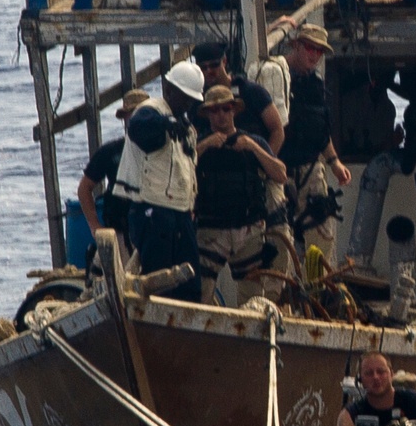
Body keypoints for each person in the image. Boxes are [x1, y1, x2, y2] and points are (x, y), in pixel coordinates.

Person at [112, 62, 204, 302]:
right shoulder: (150, 111)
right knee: (158, 282)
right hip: (153, 212)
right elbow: (139, 127)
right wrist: (165, 124)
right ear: (169, 89)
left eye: (191, 100)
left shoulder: (185, 126)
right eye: (185, 98)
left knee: (189, 283)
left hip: (180, 215)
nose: (187, 104)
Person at [195, 84, 287, 304]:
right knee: (201, 294)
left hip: (248, 229)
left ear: (234, 111)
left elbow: (281, 174)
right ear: (207, 113)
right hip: (211, 230)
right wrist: (205, 146)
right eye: (214, 111)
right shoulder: (199, 145)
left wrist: (254, 148)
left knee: (253, 297)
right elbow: (180, 170)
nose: (221, 115)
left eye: (226, 109)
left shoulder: (251, 141)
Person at [280, 24, 351, 264]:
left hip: (311, 171)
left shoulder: (315, 84)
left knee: (322, 238)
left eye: (320, 51)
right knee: (280, 243)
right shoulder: (276, 74)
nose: (315, 55)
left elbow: (320, 131)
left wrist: (334, 162)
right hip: (280, 172)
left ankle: (318, 296)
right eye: (310, 48)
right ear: (296, 45)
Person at [77, 88, 149, 254]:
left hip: (154, 232)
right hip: (121, 233)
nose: (136, 119)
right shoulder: (111, 151)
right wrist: (95, 227)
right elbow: (84, 188)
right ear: (124, 118)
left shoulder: (164, 148)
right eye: (131, 114)